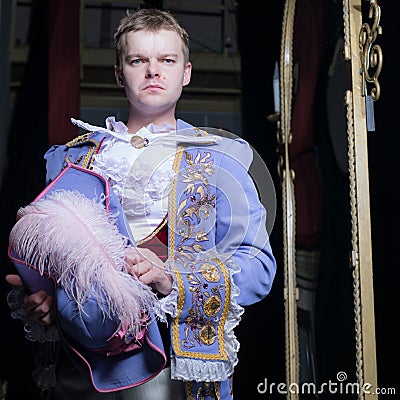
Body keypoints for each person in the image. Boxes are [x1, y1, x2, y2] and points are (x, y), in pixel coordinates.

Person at [5, 7, 276, 400]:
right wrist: (41, 302)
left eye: (167, 60)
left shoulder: (222, 159)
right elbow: (52, 267)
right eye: (138, 60)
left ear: (186, 72)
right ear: (120, 73)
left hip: (172, 364)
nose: (153, 71)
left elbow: (258, 267)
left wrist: (173, 280)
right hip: (77, 365)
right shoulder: (69, 159)